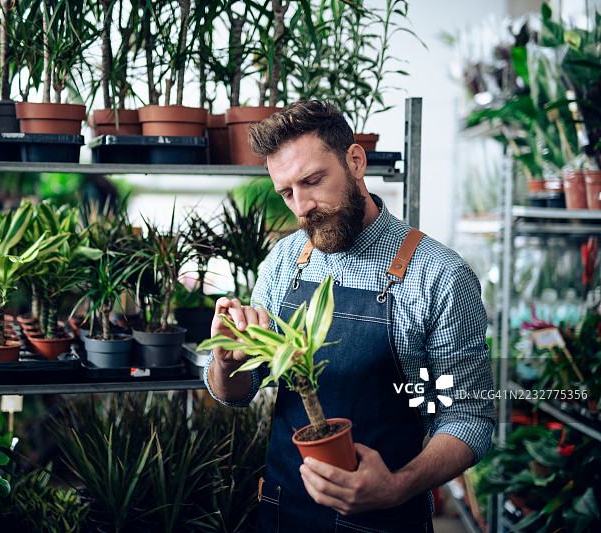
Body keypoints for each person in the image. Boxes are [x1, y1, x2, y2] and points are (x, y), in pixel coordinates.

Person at [203, 100, 495, 532]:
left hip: (386, 519)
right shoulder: (285, 262)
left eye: (313, 181)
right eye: (287, 193)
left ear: (355, 161)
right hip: (283, 513)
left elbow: (470, 417)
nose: (301, 208)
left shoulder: (440, 275)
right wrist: (226, 363)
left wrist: (397, 486)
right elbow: (238, 393)